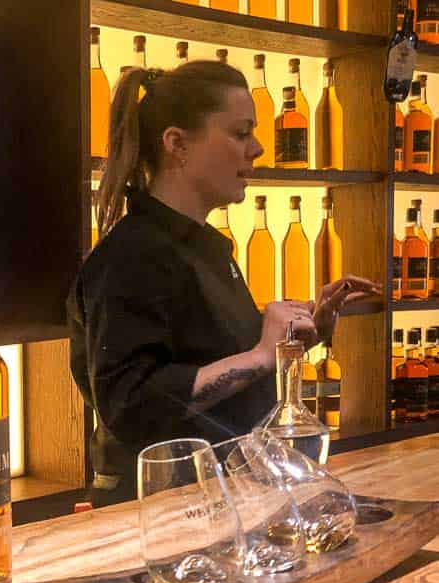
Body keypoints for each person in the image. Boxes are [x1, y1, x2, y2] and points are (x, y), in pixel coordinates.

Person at [67, 63, 380, 507]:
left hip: (221, 501)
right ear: (177, 144)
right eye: (240, 133)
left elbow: (214, 358)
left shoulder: (206, 249)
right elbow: (131, 407)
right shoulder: (131, 256)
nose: (257, 148)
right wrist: (259, 356)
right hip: (161, 514)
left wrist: (301, 335)